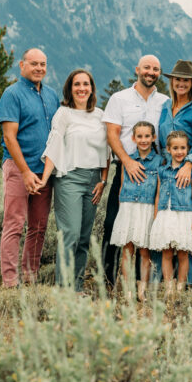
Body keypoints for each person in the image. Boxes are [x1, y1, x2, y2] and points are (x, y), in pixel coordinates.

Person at [38, 68, 109, 290]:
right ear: (70, 88)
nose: (81, 88)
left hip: (93, 181)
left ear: (91, 88)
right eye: (76, 84)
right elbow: (54, 145)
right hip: (69, 178)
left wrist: (103, 181)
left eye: (85, 84)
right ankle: (64, 288)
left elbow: (107, 151)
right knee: (70, 234)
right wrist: (44, 178)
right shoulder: (64, 114)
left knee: (84, 238)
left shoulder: (100, 115)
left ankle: (76, 287)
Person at [102, 55, 166, 289]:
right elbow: (112, 134)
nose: (151, 72)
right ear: (137, 69)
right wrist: (127, 161)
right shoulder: (119, 98)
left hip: (154, 172)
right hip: (126, 170)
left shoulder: (164, 102)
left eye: (156, 69)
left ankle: (141, 283)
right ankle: (107, 280)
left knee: (146, 228)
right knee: (112, 224)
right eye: (147, 68)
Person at [0, 48, 59, 287]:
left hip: (44, 172)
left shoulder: (52, 95)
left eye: (43, 64)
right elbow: (10, 138)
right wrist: (24, 172)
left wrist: (43, 173)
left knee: (39, 226)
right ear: (21, 65)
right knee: (14, 224)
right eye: (34, 64)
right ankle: (10, 281)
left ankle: (30, 276)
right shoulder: (12, 94)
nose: (39, 68)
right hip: (18, 168)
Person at [157, 61, 192, 280]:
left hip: (191, 169)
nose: (181, 83)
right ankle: (164, 278)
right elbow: (161, 140)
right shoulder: (165, 107)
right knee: (166, 222)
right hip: (167, 169)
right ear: (172, 81)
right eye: (177, 79)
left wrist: (188, 165)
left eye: (185, 80)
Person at [110, 121, 162, 300]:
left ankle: (142, 290)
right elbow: (122, 186)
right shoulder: (128, 160)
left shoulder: (158, 162)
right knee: (127, 249)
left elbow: (158, 192)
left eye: (147, 136)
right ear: (133, 138)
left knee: (145, 251)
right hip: (128, 207)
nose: (143, 140)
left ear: (153, 137)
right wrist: (121, 210)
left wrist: (156, 214)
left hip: (146, 209)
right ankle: (128, 289)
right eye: (139, 136)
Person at [149, 130, 192, 296]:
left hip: (184, 215)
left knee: (183, 253)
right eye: (176, 148)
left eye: (183, 148)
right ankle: (169, 288)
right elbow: (157, 194)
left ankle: (181, 287)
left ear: (188, 149)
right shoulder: (162, 171)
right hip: (166, 214)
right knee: (167, 252)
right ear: (169, 150)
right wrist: (156, 216)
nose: (179, 152)